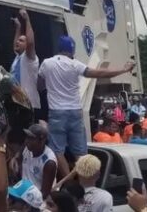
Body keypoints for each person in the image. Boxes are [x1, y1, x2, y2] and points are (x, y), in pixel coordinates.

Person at [38, 35, 135, 174]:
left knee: (56, 150)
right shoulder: (76, 64)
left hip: (57, 112)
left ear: (58, 48)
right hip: (76, 112)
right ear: (72, 51)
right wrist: (123, 70)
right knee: (80, 152)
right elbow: (100, 73)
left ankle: (69, 181)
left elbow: (39, 85)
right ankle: (87, 181)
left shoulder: (47, 63)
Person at [11, 9, 41, 119]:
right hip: (18, 104)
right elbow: (15, 45)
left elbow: (31, 42)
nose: (18, 42)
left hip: (30, 105)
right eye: (18, 40)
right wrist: (18, 27)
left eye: (22, 41)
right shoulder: (17, 59)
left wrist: (27, 20)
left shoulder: (29, 58)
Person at [21, 123, 58, 199]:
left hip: (38, 200)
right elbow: (21, 150)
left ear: (42, 140)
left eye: (31, 138)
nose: (27, 141)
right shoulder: (27, 149)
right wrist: (16, 157)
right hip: (23, 192)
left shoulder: (49, 162)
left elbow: (44, 194)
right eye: (27, 137)